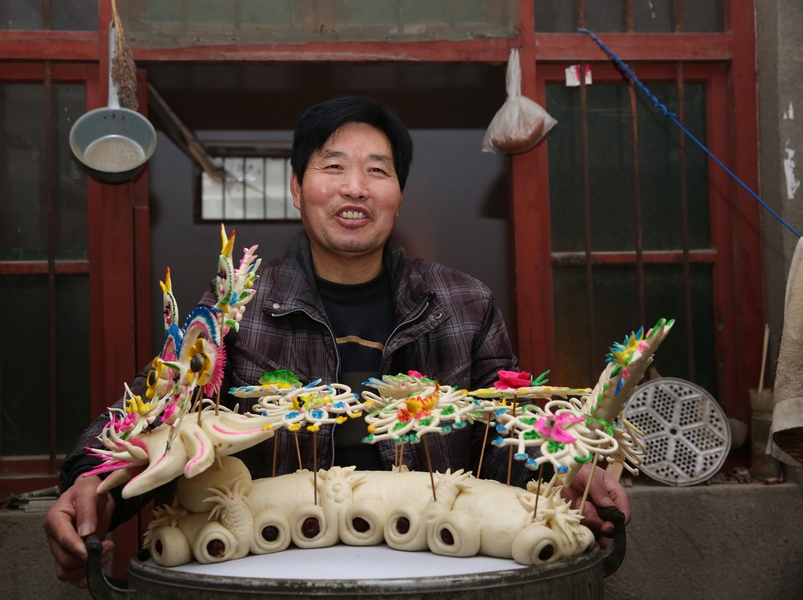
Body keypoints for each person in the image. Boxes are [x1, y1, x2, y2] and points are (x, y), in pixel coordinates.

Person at [44, 96, 631, 588]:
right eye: (333, 168)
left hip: (435, 568)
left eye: (378, 170)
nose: (356, 188)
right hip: (277, 571)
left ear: (398, 192)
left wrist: (568, 474)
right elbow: (157, 418)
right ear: (297, 189)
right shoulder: (237, 305)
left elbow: (505, 436)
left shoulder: (463, 303)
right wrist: (91, 484)